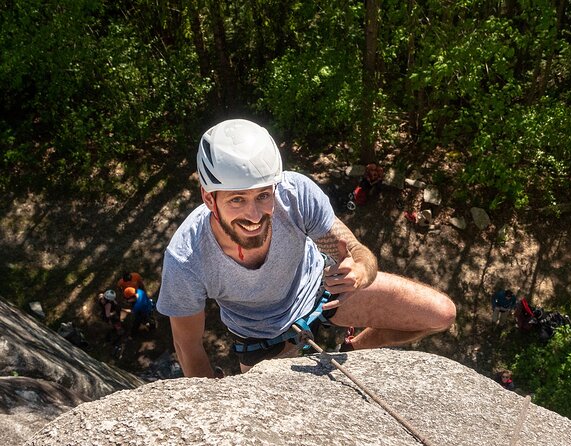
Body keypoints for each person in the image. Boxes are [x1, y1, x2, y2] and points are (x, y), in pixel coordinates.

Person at [157, 119, 456, 377]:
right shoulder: (187, 259)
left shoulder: (295, 196)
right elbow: (187, 345)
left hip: (321, 291)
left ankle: (356, 348)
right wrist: (212, 400)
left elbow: (357, 251)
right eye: (237, 200)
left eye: (263, 195)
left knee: (441, 314)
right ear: (209, 199)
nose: (254, 215)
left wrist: (361, 272)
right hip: (260, 335)